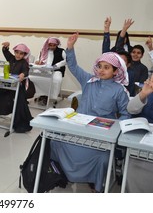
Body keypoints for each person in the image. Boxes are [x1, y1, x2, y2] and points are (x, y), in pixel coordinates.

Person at [50, 32, 130, 193]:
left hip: (101, 135)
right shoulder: (88, 81)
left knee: (103, 158)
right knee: (54, 142)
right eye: (99, 66)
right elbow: (73, 67)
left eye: (106, 68)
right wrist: (70, 48)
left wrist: (117, 130)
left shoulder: (120, 91)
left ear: (116, 71)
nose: (101, 70)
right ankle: (60, 174)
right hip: (77, 128)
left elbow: (125, 114)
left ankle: (97, 184)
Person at [0, 42, 34, 133]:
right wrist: (6, 47)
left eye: (21, 53)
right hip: (7, 85)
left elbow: (26, 71)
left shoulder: (24, 62)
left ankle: (19, 122)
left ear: (24, 55)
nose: (18, 55)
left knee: (18, 100)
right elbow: (6, 52)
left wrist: (23, 74)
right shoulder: (11, 58)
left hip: (17, 87)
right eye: (17, 52)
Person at [125, 74, 153, 192]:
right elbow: (131, 109)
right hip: (142, 143)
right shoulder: (148, 92)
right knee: (134, 171)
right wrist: (143, 94)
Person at [32, 37, 66, 105]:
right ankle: (42, 94)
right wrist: (38, 62)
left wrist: (56, 65)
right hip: (44, 70)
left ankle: (52, 97)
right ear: (47, 45)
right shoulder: (43, 51)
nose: (52, 47)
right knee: (33, 77)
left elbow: (66, 60)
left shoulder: (61, 51)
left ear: (57, 45)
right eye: (50, 45)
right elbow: (38, 60)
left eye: (54, 45)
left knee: (57, 79)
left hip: (56, 70)